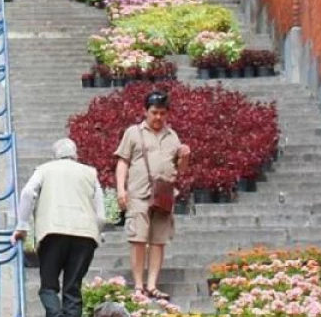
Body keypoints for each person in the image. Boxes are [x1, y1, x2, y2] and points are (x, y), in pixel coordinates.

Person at [13, 139, 107, 317]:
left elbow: (27, 193)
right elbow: (101, 215)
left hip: (52, 232)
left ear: (54, 155)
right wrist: (98, 231)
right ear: (75, 154)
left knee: (48, 287)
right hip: (85, 235)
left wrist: (22, 226)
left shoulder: (44, 169)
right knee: (73, 289)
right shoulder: (90, 173)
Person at [114, 90, 190, 301]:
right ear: (145, 111)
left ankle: (152, 285)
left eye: (162, 113)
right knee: (138, 239)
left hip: (164, 195)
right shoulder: (133, 133)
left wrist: (185, 157)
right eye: (154, 112)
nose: (158, 117)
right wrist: (121, 189)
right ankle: (138, 285)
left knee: (158, 241)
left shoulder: (172, 136)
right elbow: (122, 162)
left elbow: (181, 169)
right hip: (138, 193)